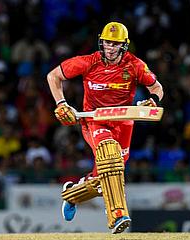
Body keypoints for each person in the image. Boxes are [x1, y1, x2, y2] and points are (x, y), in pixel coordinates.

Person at [46, 21, 164, 234]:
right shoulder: (88, 62)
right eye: (107, 43)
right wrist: (61, 103)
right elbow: (53, 76)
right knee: (110, 157)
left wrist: (153, 100)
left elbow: (156, 87)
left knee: (107, 176)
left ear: (124, 45)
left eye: (115, 44)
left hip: (124, 122)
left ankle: (72, 194)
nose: (110, 47)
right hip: (94, 121)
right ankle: (118, 215)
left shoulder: (135, 65)